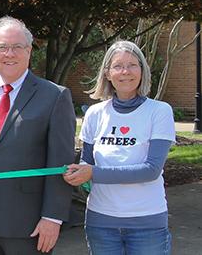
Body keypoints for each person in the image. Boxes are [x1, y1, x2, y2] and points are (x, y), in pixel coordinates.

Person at [0, 16, 76, 254]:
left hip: (28, 224)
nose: (9, 54)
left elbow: (60, 163)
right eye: (2, 47)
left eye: (17, 47)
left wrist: (53, 216)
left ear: (29, 51)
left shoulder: (54, 96)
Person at [63, 41, 174, 254]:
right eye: (118, 66)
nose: (125, 72)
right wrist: (77, 175)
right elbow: (87, 164)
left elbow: (151, 170)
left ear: (142, 70)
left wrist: (92, 173)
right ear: (107, 73)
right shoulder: (94, 114)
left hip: (147, 222)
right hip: (100, 222)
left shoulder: (159, 111)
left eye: (132, 65)